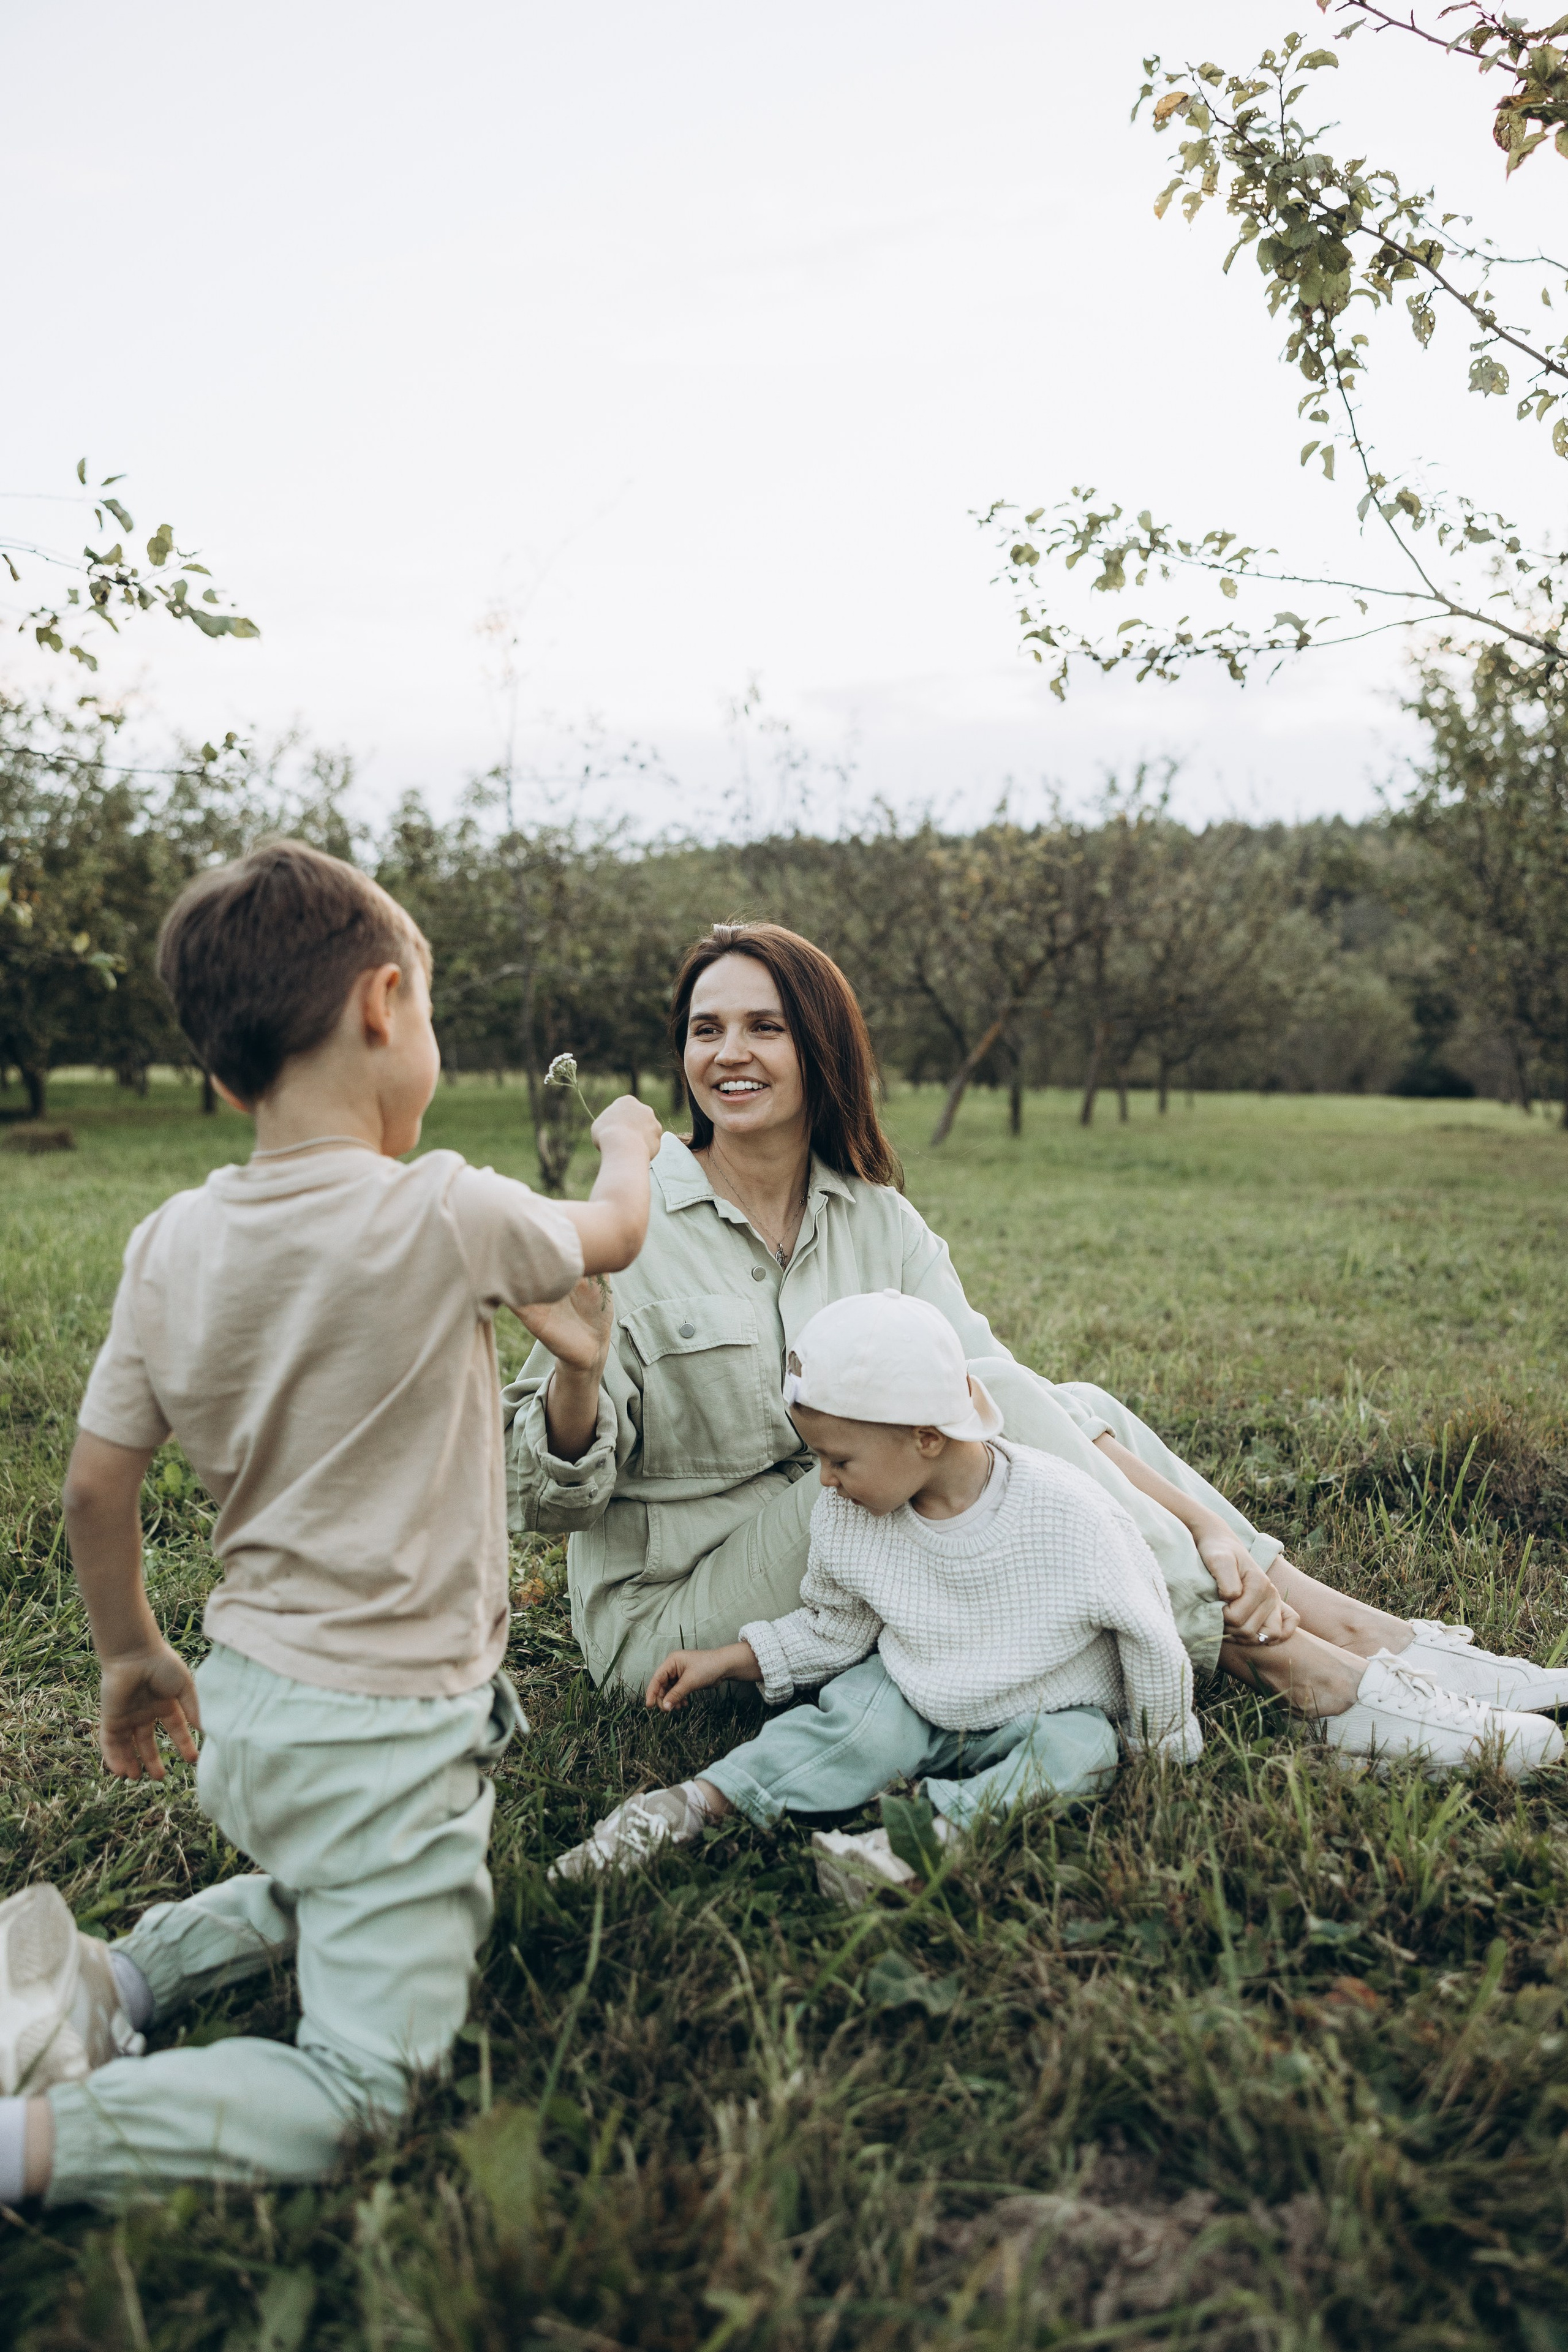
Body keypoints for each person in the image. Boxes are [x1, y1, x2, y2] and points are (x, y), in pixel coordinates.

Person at [0, 840, 663, 2209]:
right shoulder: (446, 1207)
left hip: (248, 1706)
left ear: (224, 1066)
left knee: (334, 1873)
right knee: (368, 2086)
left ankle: (117, 1976)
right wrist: (626, 1144)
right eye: (425, 1009)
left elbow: (95, 1484)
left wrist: (132, 1654)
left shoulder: (170, 1239)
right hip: (383, 1727)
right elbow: (612, 1234)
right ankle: (34, 2146)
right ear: (380, 1007)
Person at [505, 921, 1568, 1771]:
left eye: (764, 1027)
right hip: (685, 1618)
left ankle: (1356, 1631)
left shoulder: (877, 1221)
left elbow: (1002, 1403)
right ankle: (1300, 1670)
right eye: (706, 1029)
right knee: (1002, 1407)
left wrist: (1209, 1531)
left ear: (819, 1046)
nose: (728, 1053)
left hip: (863, 1538)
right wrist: (580, 1367)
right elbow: (545, 1505)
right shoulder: (624, 1227)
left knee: (1063, 1399)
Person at [551, 1290, 1210, 1896]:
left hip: (1049, 1704)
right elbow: (834, 1627)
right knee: (856, 1714)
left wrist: (1163, 1751)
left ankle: (921, 1843)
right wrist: (728, 1659)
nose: (826, 1481)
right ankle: (693, 1805)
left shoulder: (1067, 1514)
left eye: (839, 1460)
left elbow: (1148, 1635)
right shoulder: (850, 1514)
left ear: (926, 1437)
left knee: (1081, 1755)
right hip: (917, 1690)